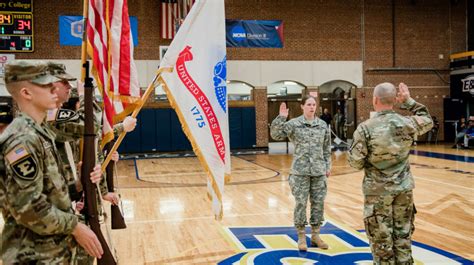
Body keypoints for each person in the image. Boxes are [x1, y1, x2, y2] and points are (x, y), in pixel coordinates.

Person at [0, 60, 104, 263]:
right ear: (26, 93)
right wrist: (75, 226)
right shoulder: (21, 140)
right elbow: (29, 209)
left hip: (53, 252)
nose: (54, 90)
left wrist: (79, 185)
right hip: (33, 255)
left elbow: (48, 191)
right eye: (47, 85)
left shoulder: (39, 132)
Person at [347, 82, 433, 265]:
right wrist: (409, 101)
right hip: (404, 190)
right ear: (395, 100)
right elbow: (427, 119)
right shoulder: (408, 123)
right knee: (403, 239)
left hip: (378, 192)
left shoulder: (365, 128)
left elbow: (355, 161)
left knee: (382, 244)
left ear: (375, 100)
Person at [270, 95, 331, 251]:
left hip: (318, 171)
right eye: (309, 104)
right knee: (301, 204)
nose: (311, 107)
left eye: (313, 104)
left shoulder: (323, 125)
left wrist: (327, 166)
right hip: (300, 172)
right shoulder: (294, 124)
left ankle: (316, 236)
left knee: (318, 204)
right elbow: (276, 135)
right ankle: (301, 236)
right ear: (302, 106)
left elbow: (326, 148)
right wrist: (281, 118)